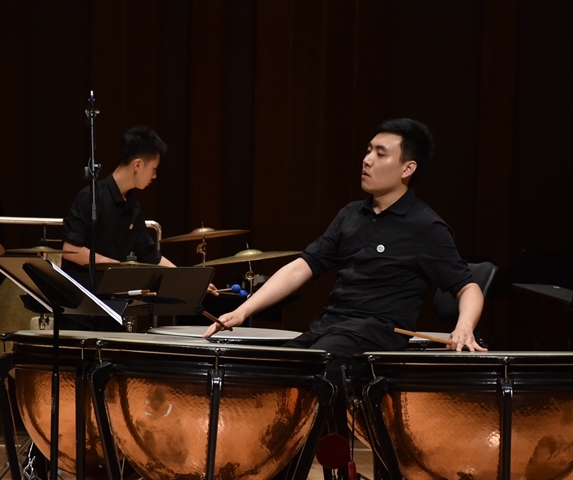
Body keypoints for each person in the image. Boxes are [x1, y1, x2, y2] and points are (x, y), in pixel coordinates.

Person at [204, 118, 486, 365]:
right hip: (329, 328)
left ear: (407, 168)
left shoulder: (425, 226)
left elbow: (467, 286)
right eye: (368, 150)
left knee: (311, 368)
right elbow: (302, 267)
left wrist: (464, 326)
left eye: (380, 154)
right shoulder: (351, 214)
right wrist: (242, 311)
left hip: (375, 337)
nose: (367, 160)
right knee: (268, 367)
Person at [62, 125, 176, 279]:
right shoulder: (91, 197)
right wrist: (116, 267)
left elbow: (151, 257)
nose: (154, 176)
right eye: (154, 169)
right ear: (137, 165)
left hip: (113, 288)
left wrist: (187, 278)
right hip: (81, 290)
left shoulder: (133, 208)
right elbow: (70, 250)